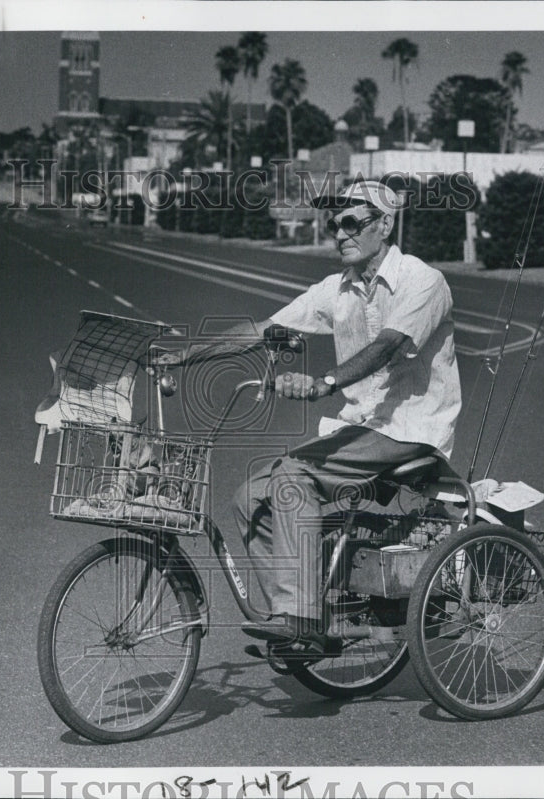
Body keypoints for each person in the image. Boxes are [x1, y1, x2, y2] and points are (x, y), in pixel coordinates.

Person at [160, 179, 461, 656]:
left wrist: (324, 384)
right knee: (252, 492)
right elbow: (263, 330)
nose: (338, 233)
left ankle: (301, 618)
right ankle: (294, 613)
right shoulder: (336, 289)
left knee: (292, 477)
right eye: (333, 223)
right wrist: (185, 356)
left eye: (351, 222)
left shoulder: (423, 281)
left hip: (410, 428)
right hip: (361, 425)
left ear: (385, 225)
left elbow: (387, 346)